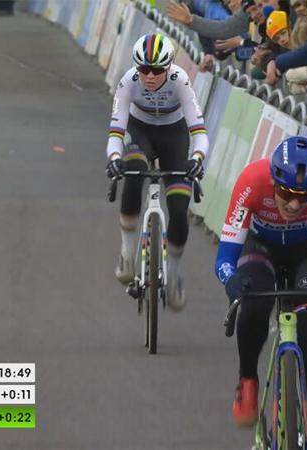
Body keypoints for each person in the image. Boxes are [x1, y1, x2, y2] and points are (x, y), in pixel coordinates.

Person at [215, 136, 307, 449]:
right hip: (260, 247)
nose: (294, 204)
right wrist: (232, 281)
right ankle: (247, 378)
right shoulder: (251, 181)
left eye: (304, 197)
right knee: (252, 303)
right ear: (273, 180)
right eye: (286, 193)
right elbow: (225, 259)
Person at [105, 33, 209, 311]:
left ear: (169, 68)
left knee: (178, 209)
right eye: (144, 69)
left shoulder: (181, 81)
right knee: (133, 169)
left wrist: (197, 158)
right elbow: (116, 129)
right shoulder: (128, 81)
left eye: (157, 70)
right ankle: (128, 252)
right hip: (140, 132)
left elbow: (198, 131)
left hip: (174, 137)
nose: (149, 76)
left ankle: (173, 274)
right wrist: (115, 157)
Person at [264, 10, 307, 92]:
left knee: (290, 75)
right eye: (277, 38)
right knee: (293, 87)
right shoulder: (285, 52)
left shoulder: (304, 38)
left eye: (283, 33)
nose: (281, 40)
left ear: (291, 27)